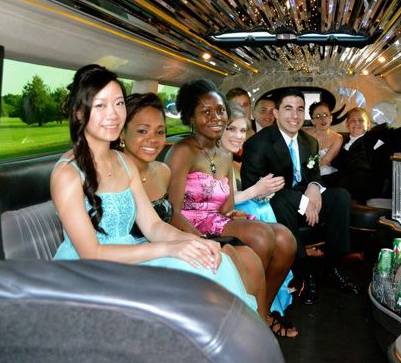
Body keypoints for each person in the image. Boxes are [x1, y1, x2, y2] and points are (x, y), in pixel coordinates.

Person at [50, 65, 255, 310]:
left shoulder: (124, 162)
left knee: (214, 261)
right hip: (90, 273)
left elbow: (153, 226)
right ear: (80, 113)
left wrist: (194, 242)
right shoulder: (67, 173)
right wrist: (169, 249)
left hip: (132, 256)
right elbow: (91, 253)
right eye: (101, 105)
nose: (113, 114)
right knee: (193, 280)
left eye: (118, 103)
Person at [165, 79, 299, 337]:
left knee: (285, 238)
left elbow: (225, 207)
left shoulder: (224, 154)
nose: (216, 117)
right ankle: (249, 320)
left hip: (217, 220)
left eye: (220, 110)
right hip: (190, 226)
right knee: (261, 234)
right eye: (206, 111)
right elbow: (171, 210)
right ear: (190, 117)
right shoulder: (182, 151)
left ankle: (260, 311)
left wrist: (235, 214)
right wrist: (200, 241)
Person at [120, 92, 265, 309]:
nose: (153, 139)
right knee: (219, 263)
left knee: (240, 258)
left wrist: (198, 241)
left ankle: (258, 320)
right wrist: (190, 242)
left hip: (163, 241)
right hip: (133, 256)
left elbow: (159, 223)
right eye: (142, 131)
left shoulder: (161, 172)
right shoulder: (113, 173)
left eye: (160, 132)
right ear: (122, 133)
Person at [241, 87, 359, 305]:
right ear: (276, 113)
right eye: (288, 109)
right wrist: (301, 201)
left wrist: (314, 186)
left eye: (300, 109)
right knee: (282, 199)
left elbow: (314, 175)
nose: (294, 115)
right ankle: (304, 273)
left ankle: (332, 266)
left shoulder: (309, 142)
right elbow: (252, 186)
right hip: (275, 204)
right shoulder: (258, 144)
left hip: (305, 200)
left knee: (341, 196)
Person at [219, 103, 295, 316]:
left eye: (242, 130)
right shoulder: (213, 157)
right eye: (231, 129)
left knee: (270, 217)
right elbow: (222, 202)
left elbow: (230, 197)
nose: (238, 136)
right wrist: (255, 191)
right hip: (212, 219)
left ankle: (266, 305)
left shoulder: (228, 158)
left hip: (232, 211)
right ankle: (253, 307)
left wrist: (262, 191)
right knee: (259, 210)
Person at [332, 107, 401, 202]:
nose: (356, 123)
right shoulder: (339, 142)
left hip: (371, 184)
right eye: (352, 121)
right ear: (347, 124)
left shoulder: (377, 134)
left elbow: (395, 133)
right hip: (346, 184)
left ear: (368, 124)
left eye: (361, 120)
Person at [303, 100, 342, 182]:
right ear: (313, 121)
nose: (322, 119)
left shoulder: (338, 138)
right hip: (306, 173)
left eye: (325, 115)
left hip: (327, 175)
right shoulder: (304, 134)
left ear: (331, 118)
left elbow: (325, 161)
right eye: (317, 116)